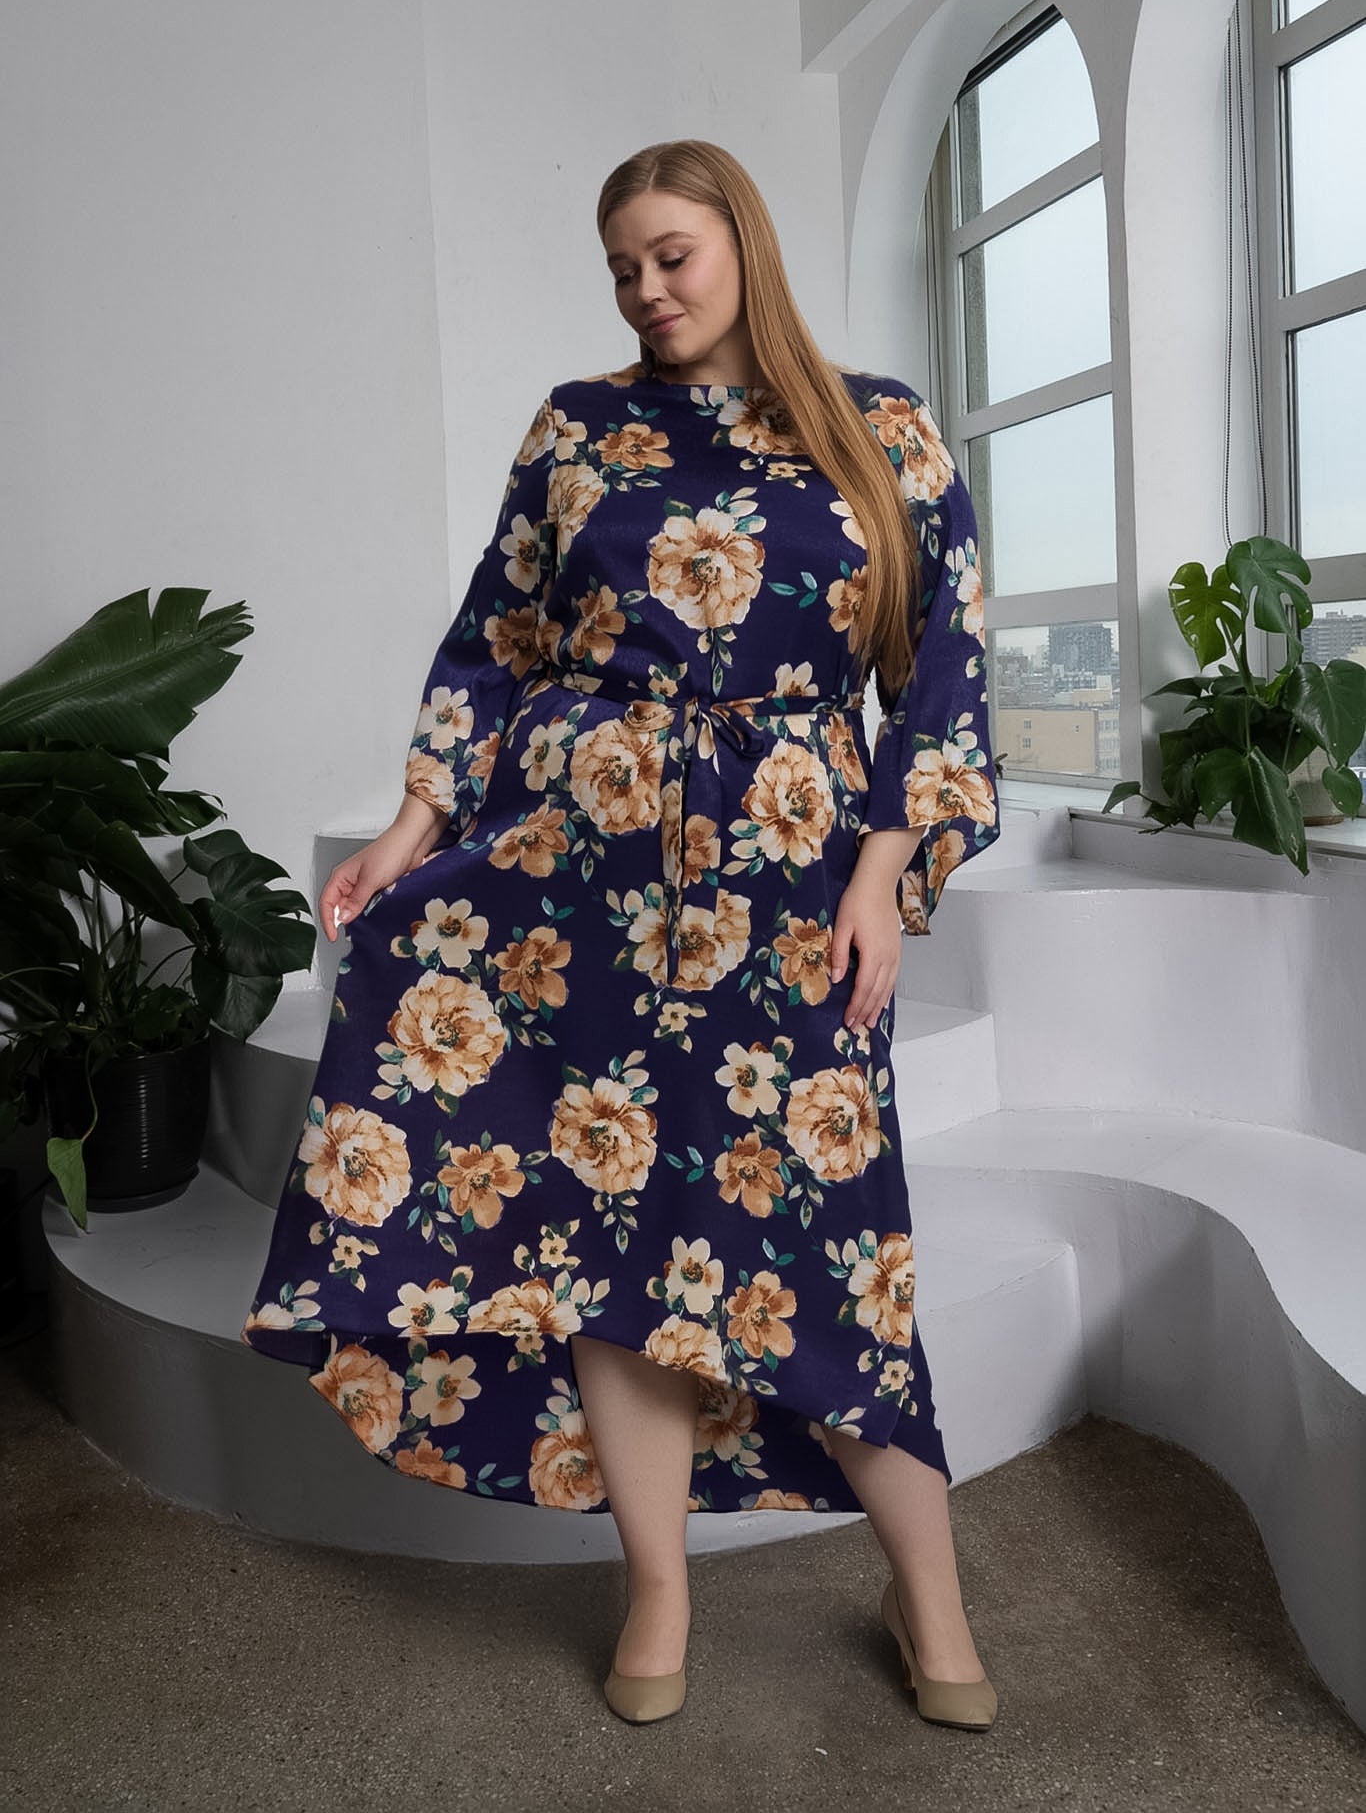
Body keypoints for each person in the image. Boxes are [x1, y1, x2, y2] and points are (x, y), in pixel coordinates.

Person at [242, 139, 1000, 1730]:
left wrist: (882, 874)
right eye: (621, 270)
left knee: (833, 1251)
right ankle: (656, 1581)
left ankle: (927, 1592)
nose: (646, 291)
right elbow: (497, 639)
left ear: (741, 242)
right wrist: (409, 831)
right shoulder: (577, 427)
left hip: (787, 885)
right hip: (576, 884)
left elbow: (940, 669)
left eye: (671, 255)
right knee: (607, 1241)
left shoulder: (883, 427)